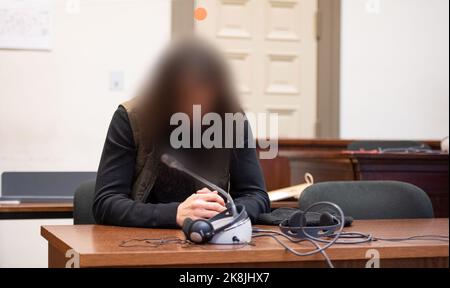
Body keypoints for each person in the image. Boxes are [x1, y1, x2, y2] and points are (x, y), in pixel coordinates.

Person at [93, 39, 270, 229]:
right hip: (141, 241)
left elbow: (257, 197)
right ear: (165, 93)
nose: (196, 110)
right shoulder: (131, 118)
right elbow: (105, 202)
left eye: (205, 100)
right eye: (186, 98)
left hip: (208, 240)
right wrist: (175, 214)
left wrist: (223, 213)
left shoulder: (230, 118)